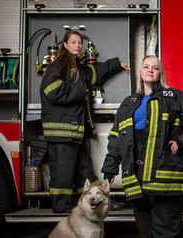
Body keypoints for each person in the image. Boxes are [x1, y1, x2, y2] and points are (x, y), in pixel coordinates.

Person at [101, 55, 183, 238]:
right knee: (145, 224)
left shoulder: (176, 97)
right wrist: (110, 166)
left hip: (164, 174)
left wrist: (181, 142)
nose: (150, 70)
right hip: (135, 177)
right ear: (140, 72)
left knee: (166, 226)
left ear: (161, 72)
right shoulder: (129, 102)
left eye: (155, 67)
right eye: (146, 66)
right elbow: (116, 137)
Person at [40, 31, 130, 213]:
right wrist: (81, 94)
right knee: (63, 174)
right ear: (64, 45)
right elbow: (51, 90)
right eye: (73, 42)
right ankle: (62, 207)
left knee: (84, 170)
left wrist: (116, 64)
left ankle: (99, 201)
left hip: (74, 131)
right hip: (62, 132)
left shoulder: (77, 68)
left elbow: (94, 71)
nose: (77, 45)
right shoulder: (59, 64)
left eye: (80, 43)